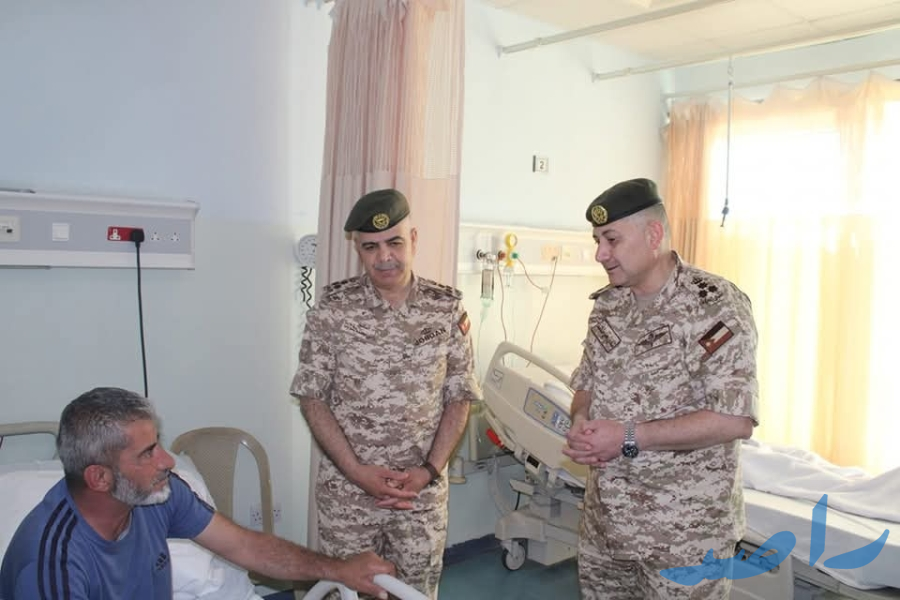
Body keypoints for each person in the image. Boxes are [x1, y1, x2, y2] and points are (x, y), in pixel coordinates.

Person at [0, 387, 395, 600]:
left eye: (158, 443)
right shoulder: (52, 567)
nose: (167, 461)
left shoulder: (157, 496)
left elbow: (246, 547)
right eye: (148, 453)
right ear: (100, 478)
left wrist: (338, 569)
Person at [562, 178, 759, 599]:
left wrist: (628, 436)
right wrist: (580, 420)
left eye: (611, 239)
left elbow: (735, 420)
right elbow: (586, 384)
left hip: (684, 536)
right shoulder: (608, 305)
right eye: (597, 241)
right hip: (606, 527)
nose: (600, 254)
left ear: (653, 235)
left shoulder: (713, 305)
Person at [289, 188, 481, 599]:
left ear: (413, 239)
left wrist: (428, 471)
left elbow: (460, 397)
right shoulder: (334, 309)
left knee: (416, 592)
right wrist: (356, 471)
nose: (384, 257)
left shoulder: (445, 309)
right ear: (357, 249)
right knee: (345, 592)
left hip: (419, 496)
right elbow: (311, 397)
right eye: (370, 247)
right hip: (349, 495)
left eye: (394, 242)